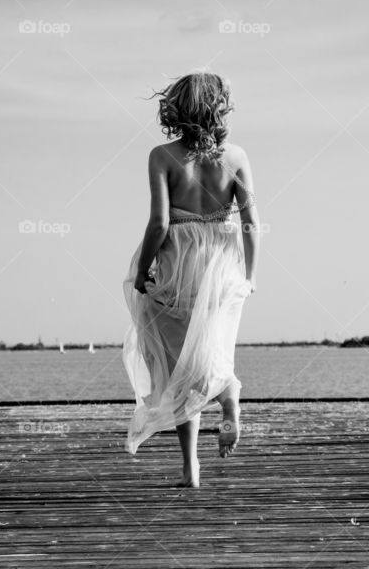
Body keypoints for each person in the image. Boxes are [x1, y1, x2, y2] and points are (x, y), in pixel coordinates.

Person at [122, 71, 260, 488]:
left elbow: (159, 222)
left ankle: (191, 467)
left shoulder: (162, 156)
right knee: (207, 351)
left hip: (177, 264)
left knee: (179, 364)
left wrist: (143, 268)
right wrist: (249, 275)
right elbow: (252, 221)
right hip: (221, 265)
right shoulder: (235, 156)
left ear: (175, 108)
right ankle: (227, 397)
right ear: (220, 108)